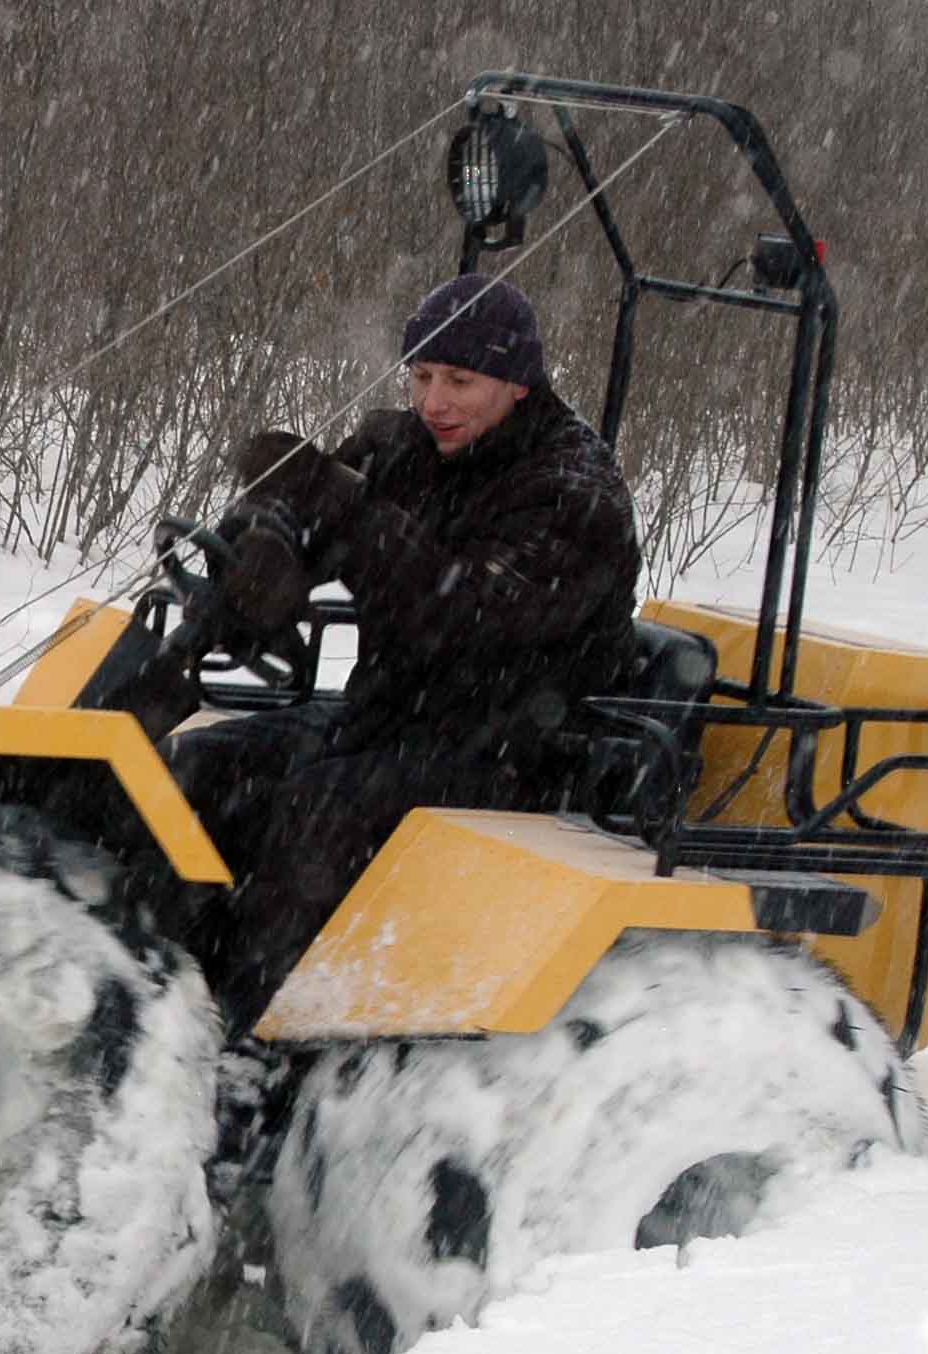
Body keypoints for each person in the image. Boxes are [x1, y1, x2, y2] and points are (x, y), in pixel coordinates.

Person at [148, 273, 643, 1022]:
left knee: (322, 811)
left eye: (459, 380)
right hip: (392, 716)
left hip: (523, 751)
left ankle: (259, 1029)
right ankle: (170, 986)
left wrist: (348, 512)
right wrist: (266, 541)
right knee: (204, 766)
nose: (433, 402)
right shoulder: (409, 445)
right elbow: (313, 497)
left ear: (517, 384)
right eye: (421, 376)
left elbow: (464, 618)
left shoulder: (573, 490)